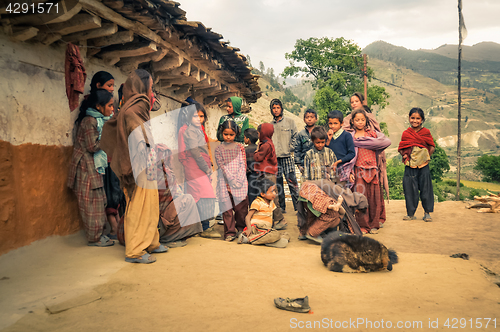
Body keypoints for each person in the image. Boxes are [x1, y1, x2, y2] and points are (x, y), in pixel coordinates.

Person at [101, 69, 168, 264]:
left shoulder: (140, 108)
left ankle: (152, 242)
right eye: (150, 87)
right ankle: (135, 250)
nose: (152, 91)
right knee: (138, 208)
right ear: (141, 88)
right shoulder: (131, 111)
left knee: (151, 206)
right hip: (138, 167)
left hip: (147, 165)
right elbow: (137, 139)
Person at [68, 89, 115, 247]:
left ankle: (99, 234)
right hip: (86, 167)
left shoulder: (99, 120)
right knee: (91, 202)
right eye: (109, 105)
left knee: (99, 201)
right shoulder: (90, 121)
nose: (112, 109)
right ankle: (94, 237)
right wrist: (109, 135)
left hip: (94, 166)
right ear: (99, 106)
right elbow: (92, 146)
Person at [177, 103, 220, 238]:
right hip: (193, 165)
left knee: (198, 196)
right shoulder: (185, 130)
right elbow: (189, 152)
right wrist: (191, 166)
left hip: (201, 166)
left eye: (201, 116)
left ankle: (198, 227)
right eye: (195, 116)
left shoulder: (200, 129)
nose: (199, 119)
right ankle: (203, 228)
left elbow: (204, 149)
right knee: (204, 195)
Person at [348, 108, 391, 234]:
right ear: (352, 121)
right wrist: (350, 172)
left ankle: (374, 224)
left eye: (362, 119)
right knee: (361, 198)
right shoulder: (351, 137)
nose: (360, 122)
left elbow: (385, 142)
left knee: (374, 199)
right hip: (358, 170)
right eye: (357, 120)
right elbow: (350, 157)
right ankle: (363, 226)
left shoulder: (372, 135)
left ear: (366, 120)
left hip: (373, 170)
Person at [156, 144, 203, 246]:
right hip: (158, 220)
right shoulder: (164, 174)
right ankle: (168, 238)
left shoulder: (152, 172)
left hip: (156, 219)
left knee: (186, 200)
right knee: (187, 200)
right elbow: (176, 194)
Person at [398, 108, 436, 222]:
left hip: (423, 165)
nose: (415, 120)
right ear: (409, 118)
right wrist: (405, 155)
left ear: (422, 120)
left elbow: (432, 146)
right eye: (412, 118)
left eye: (418, 118)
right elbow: (401, 148)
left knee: (426, 188)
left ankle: (427, 213)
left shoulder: (426, 132)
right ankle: (410, 214)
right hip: (410, 165)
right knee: (409, 189)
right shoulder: (406, 133)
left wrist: (425, 156)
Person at [215, 120, 248, 241]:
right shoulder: (218, 149)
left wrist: (238, 180)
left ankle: (241, 229)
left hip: (240, 182)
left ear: (236, 134)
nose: (228, 137)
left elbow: (242, 164)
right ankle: (229, 232)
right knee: (227, 208)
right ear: (221, 133)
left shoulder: (240, 147)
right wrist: (231, 180)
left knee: (241, 208)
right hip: (225, 182)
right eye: (225, 134)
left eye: (231, 134)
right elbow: (221, 166)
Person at [237, 178, 290, 248]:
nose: (274, 193)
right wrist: (249, 229)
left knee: (286, 234)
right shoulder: (257, 202)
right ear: (262, 194)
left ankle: (266, 240)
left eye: (274, 191)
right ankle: (247, 239)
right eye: (272, 191)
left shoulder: (271, 203)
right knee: (275, 234)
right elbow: (247, 217)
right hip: (256, 227)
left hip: (266, 230)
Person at [253, 123, 285, 229]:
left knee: (271, 197)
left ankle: (280, 220)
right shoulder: (267, 143)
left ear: (263, 133)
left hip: (268, 174)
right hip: (268, 172)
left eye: (258, 133)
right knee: (269, 197)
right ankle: (271, 220)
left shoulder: (265, 145)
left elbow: (258, 158)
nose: (258, 135)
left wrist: (255, 152)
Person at [270, 98, 299, 213]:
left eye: (278, 108)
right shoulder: (270, 125)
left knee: (292, 183)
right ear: (271, 110)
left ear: (281, 109)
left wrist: (289, 148)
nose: (276, 110)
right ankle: (282, 208)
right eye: (274, 108)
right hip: (275, 159)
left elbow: (295, 136)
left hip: (287, 157)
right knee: (278, 184)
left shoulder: (290, 121)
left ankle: (298, 208)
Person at [326, 110, 356, 186]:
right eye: (330, 123)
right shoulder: (327, 136)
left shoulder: (346, 136)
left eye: (335, 123)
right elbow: (324, 152)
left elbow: (352, 153)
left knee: (341, 193)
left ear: (341, 123)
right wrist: (328, 140)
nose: (332, 126)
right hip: (330, 171)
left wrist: (338, 162)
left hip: (343, 170)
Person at [294, 109, 317, 174]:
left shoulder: (319, 132)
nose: (309, 119)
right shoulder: (301, 134)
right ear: (304, 120)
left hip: (318, 164)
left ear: (316, 119)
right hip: (304, 164)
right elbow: (297, 150)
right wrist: (299, 165)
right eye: (307, 117)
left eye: (312, 117)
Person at [244, 128, 259, 205]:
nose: (244, 139)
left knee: (251, 195)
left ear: (248, 139)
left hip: (250, 176)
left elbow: (244, 164)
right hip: (259, 175)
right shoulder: (259, 148)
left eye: (244, 137)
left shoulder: (245, 150)